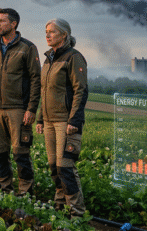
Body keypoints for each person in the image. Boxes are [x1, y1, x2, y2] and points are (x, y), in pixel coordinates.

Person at [0, 8, 41, 195]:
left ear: (14, 24)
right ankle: (5, 190)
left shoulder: (27, 48)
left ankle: (25, 193)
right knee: (0, 154)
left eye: (2, 21)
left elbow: (35, 79)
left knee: (20, 153)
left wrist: (31, 108)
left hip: (18, 109)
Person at [36, 18, 88, 216]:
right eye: (46, 31)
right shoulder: (49, 59)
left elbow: (80, 90)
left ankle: (77, 213)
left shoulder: (74, 57)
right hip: (49, 121)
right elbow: (44, 91)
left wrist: (74, 120)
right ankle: (60, 206)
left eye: (52, 32)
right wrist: (41, 118)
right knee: (53, 167)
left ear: (64, 35)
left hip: (66, 122)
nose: (47, 35)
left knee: (65, 167)